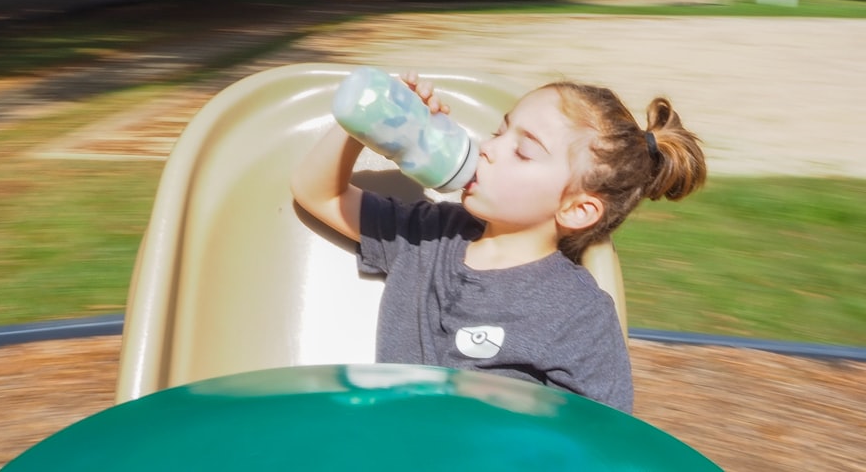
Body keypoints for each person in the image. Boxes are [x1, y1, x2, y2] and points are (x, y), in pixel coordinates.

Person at [290, 71, 707, 414]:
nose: (488, 148)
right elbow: (317, 193)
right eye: (499, 131)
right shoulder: (426, 234)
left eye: (523, 151)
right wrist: (373, 124)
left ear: (577, 209)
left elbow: (604, 439)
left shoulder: (580, 314)